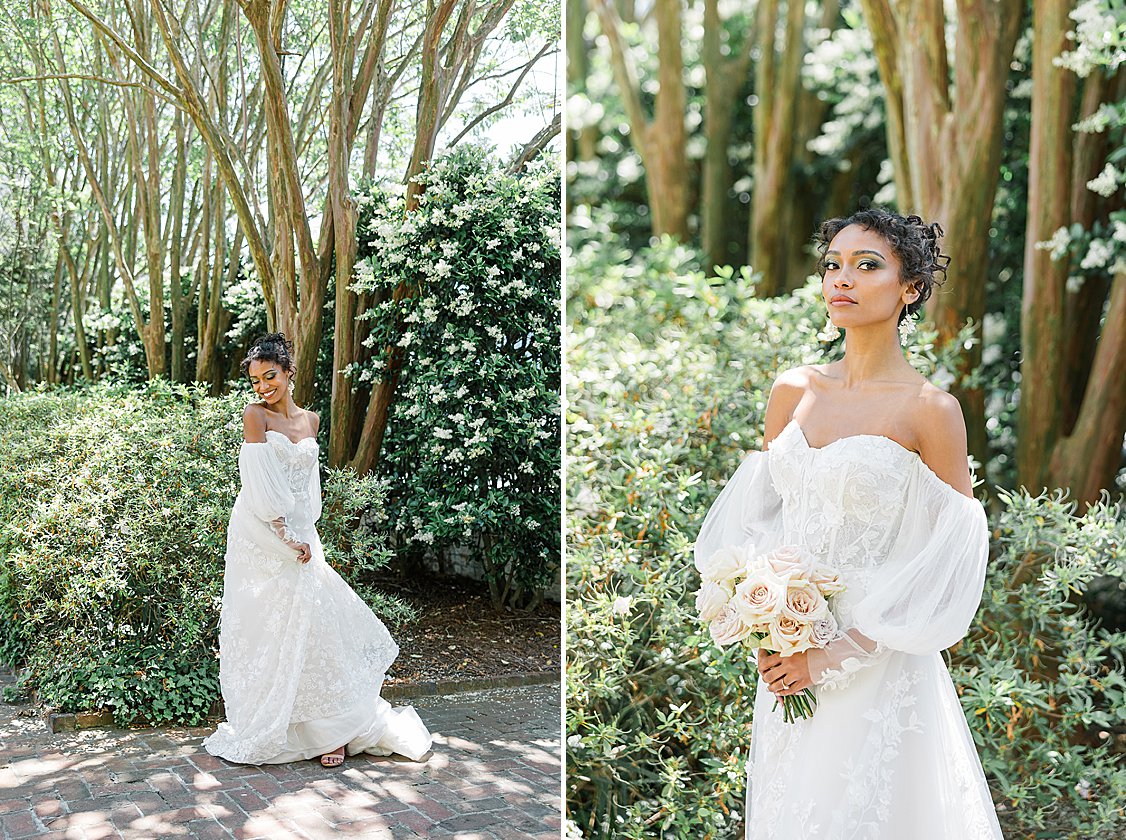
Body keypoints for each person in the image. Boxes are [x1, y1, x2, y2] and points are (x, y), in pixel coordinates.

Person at [694, 208, 1004, 839]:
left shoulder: (931, 411)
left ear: (909, 288)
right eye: (834, 264)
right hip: (788, 650)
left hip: (875, 654)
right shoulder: (793, 390)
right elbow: (762, 524)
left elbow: (947, 558)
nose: (843, 279)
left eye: (867, 266)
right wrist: (762, 610)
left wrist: (838, 652)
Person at [202, 333, 432, 768]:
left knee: (315, 626)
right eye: (255, 381)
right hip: (262, 534)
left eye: (270, 376)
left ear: (289, 372)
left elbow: (309, 484)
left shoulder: (310, 420)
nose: (263, 387)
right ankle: (286, 726)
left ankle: (333, 730)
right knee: (271, 629)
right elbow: (259, 485)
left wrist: (306, 530)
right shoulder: (255, 417)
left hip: (303, 532)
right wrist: (285, 537)